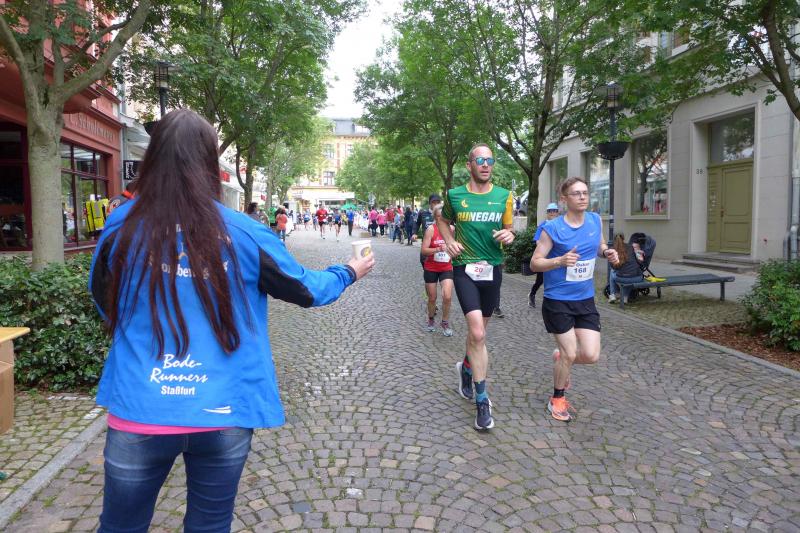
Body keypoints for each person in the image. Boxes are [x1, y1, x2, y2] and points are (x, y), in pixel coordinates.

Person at [88, 109, 374, 532]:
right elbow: (307, 289)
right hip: (223, 408)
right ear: (209, 162)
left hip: (142, 403)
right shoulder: (245, 231)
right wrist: (348, 271)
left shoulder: (121, 226)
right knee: (210, 525)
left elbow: (102, 297)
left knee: (120, 526)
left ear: (153, 158)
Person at [439, 143, 515, 431]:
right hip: (464, 269)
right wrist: (449, 240)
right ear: (469, 165)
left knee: (478, 334)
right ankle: (482, 401)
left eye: (490, 160)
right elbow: (442, 220)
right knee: (478, 333)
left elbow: (509, 228)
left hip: (492, 269)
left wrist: (509, 235)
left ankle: (466, 368)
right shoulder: (455, 195)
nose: (485, 164)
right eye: (480, 160)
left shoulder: (504, 196)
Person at [530, 176, 618, 422]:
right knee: (569, 351)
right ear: (564, 199)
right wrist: (559, 261)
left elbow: (599, 245)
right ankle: (557, 399)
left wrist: (607, 252)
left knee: (590, 355)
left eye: (585, 193)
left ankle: (561, 359)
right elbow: (535, 263)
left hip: (585, 299)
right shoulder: (552, 228)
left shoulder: (594, 220)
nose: (582, 197)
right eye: (576, 193)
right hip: (558, 300)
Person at [421, 204, 454, 336]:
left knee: (447, 296)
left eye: (444, 217)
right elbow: (424, 250)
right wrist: (438, 249)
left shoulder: (452, 229)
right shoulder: (431, 229)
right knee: (432, 298)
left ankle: (445, 322)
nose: (442, 219)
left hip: (446, 267)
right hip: (431, 267)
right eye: (439, 217)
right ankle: (430, 319)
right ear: (435, 217)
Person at [529, 202, 561, 307]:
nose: (552, 213)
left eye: (554, 211)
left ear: (557, 213)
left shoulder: (561, 224)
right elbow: (538, 241)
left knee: (556, 279)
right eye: (550, 211)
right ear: (547, 213)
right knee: (540, 280)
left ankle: (553, 300)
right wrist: (545, 248)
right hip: (544, 258)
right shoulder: (543, 225)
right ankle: (532, 294)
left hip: (557, 257)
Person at [607, 233, 645, 304]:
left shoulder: (612, 250)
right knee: (629, 276)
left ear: (614, 240)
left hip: (620, 278)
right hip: (636, 278)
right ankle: (624, 297)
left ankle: (613, 295)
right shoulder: (631, 247)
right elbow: (639, 261)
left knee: (613, 271)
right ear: (623, 239)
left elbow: (613, 267)